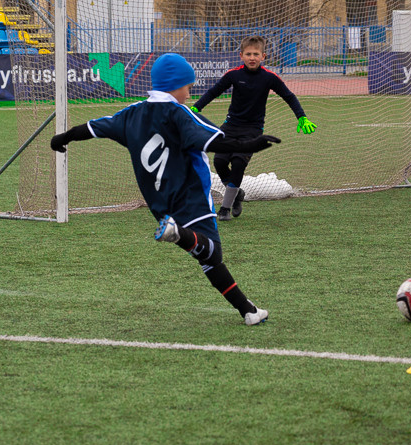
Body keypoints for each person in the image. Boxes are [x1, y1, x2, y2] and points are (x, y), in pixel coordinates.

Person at [49, 52, 280, 325]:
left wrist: (63, 137)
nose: (188, 93)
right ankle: (178, 233)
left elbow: (94, 127)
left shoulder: (132, 113)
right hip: (190, 196)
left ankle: (248, 311)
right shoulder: (179, 113)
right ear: (176, 86)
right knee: (212, 253)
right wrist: (247, 145)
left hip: (159, 204)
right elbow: (210, 141)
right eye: (188, 87)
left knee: (207, 259)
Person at [191, 35, 316, 221]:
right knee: (219, 162)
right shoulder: (233, 75)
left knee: (239, 162)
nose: (252, 57)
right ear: (241, 55)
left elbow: (289, 96)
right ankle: (237, 194)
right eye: (248, 54)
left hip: (253, 130)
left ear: (263, 56)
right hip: (230, 126)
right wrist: (196, 108)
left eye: (256, 54)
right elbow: (213, 92)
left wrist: (302, 117)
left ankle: (225, 209)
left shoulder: (269, 78)